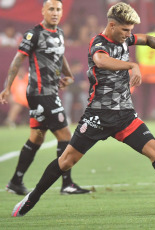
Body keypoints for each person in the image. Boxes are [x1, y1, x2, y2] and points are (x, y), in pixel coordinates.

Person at [10, 2, 155, 217]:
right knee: (66, 161)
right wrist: (132, 65)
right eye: (125, 30)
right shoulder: (98, 43)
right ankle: (32, 197)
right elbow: (101, 61)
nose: (129, 35)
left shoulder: (125, 37)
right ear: (112, 25)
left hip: (125, 117)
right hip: (98, 116)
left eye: (130, 31)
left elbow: (148, 39)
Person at [0, 0, 90, 195]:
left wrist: (69, 75)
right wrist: (7, 87)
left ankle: (16, 181)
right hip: (41, 94)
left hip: (50, 93)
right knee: (66, 136)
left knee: (36, 138)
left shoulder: (59, 33)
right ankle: (67, 184)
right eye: (51, 9)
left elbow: (61, 55)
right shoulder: (34, 34)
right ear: (43, 11)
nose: (55, 12)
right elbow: (18, 60)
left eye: (58, 9)